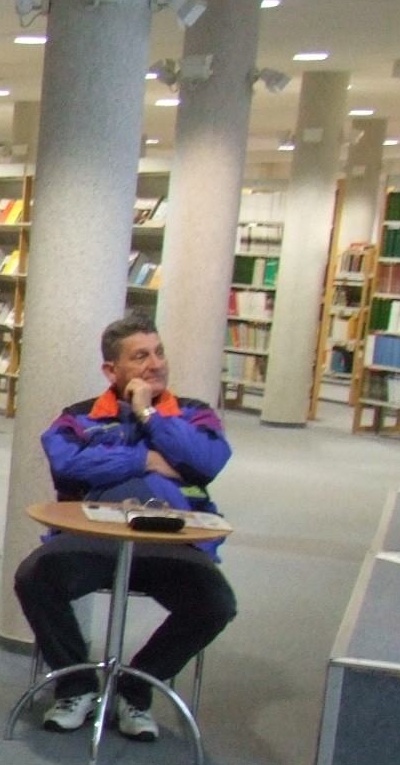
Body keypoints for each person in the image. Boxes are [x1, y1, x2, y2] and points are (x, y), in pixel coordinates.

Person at [13, 316, 237, 742]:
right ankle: (75, 686)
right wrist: (146, 460)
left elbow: (207, 461)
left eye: (159, 352)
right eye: (140, 356)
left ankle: (134, 689)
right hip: (94, 541)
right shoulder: (79, 417)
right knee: (34, 579)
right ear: (111, 370)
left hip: (170, 545)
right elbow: (68, 464)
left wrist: (148, 415)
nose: (155, 364)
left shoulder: (195, 414)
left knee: (215, 604)